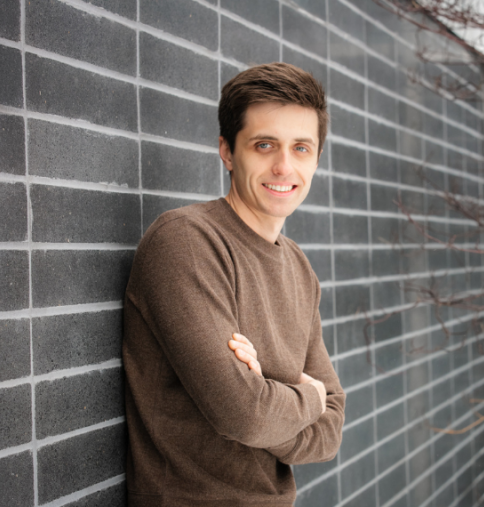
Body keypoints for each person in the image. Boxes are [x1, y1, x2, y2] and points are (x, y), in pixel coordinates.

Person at [122, 62, 346, 506]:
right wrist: (309, 395)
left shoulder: (299, 267)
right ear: (227, 150)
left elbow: (330, 431)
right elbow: (245, 415)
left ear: (317, 158)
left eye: (301, 148)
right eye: (264, 145)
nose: (284, 166)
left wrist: (273, 391)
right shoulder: (186, 242)